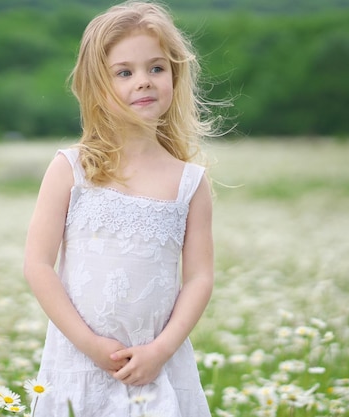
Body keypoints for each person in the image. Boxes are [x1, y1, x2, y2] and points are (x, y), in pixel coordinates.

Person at [23, 1, 218, 415]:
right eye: (124, 73)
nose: (143, 82)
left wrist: (161, 350)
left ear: (174, 75)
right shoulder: (71, 170)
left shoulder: (190, 183)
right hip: (81, 359)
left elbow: (199, 277)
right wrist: (90, 345)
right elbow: (38, 266)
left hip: (159, 364)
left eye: (156, 68)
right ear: (96, 85)